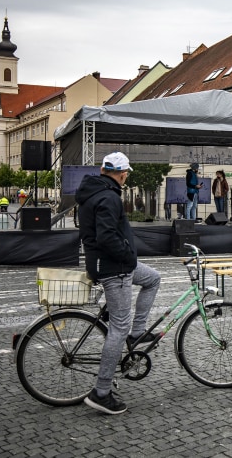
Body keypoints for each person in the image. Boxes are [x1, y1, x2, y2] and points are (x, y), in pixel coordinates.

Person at [76, 152, 162, 415]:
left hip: (112, 265)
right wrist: (127, 254)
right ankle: (101, 392)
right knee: (118, 328)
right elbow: (107, 238)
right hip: (114, 268)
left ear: (103, 170)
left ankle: (139, 331)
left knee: (153, 278)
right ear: (123, 174)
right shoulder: (109, 197)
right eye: (126, 174)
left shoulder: (95, 191)